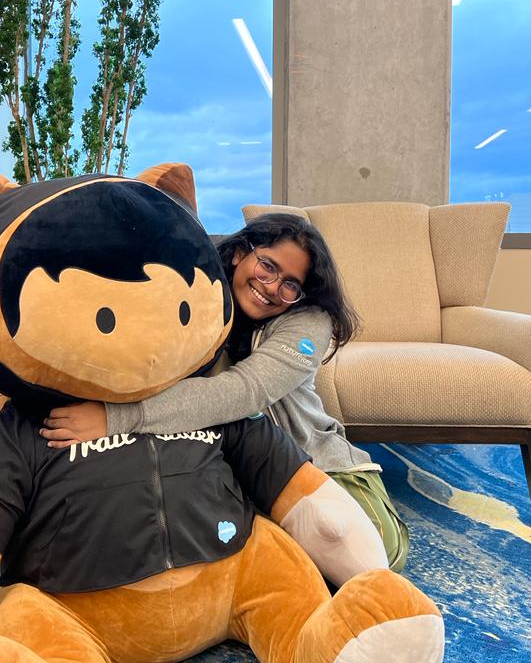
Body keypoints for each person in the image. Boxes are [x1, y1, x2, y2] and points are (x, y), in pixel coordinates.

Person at [42, 213, 409, 571]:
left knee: (375, 554)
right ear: (239, 254)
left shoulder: (309, 321)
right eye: (268, 266)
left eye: (290, 284)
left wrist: (116, 417)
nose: (272, 287)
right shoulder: (198, 300)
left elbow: (243, 392)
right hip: (229, 476)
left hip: (319, 470)